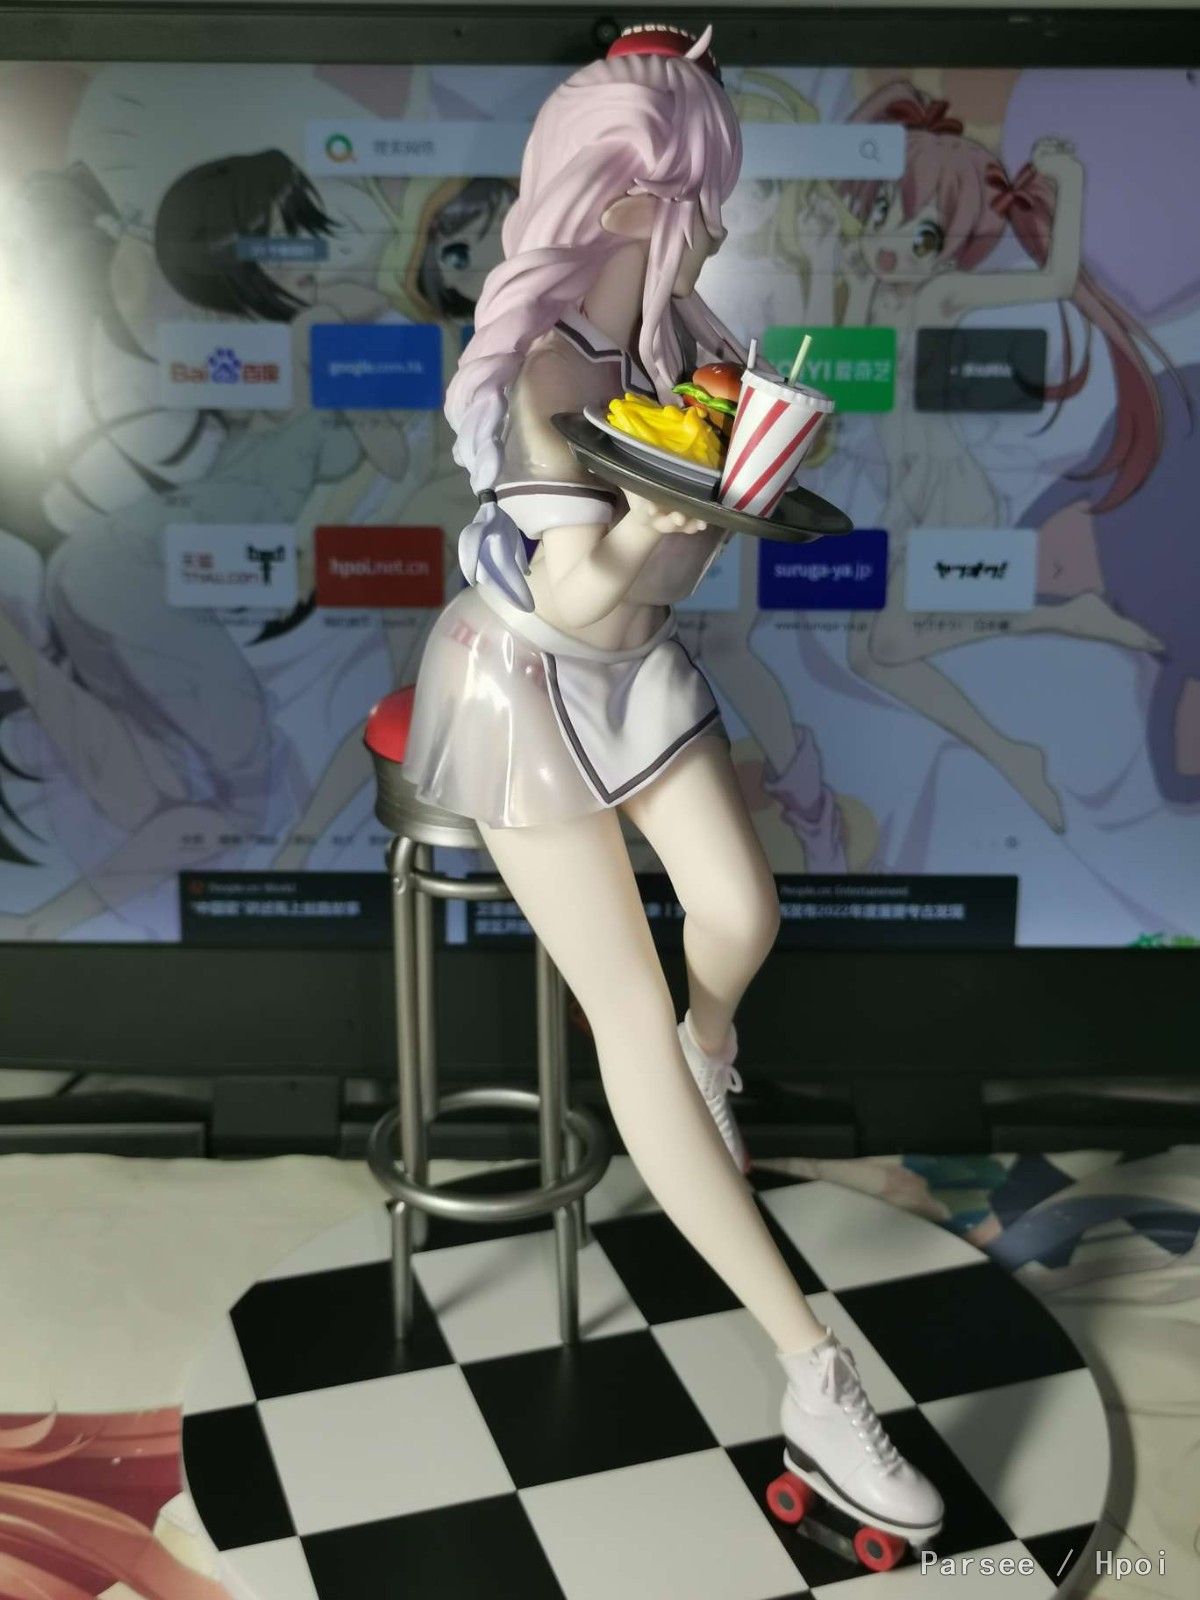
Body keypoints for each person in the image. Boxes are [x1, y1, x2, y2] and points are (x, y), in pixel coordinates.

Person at [401, 23, 944, 1545]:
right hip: (520, 682)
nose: (707, 224)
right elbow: (573, 589)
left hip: (632, 671)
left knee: (742, 916)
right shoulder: (541, 367)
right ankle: (814, 1372)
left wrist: (720, 494)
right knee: (628, 1019)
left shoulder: (680, 341)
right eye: (692, 198)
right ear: (623, 196)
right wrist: (660, 515)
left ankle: (707, 1063)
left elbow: (658, 584)